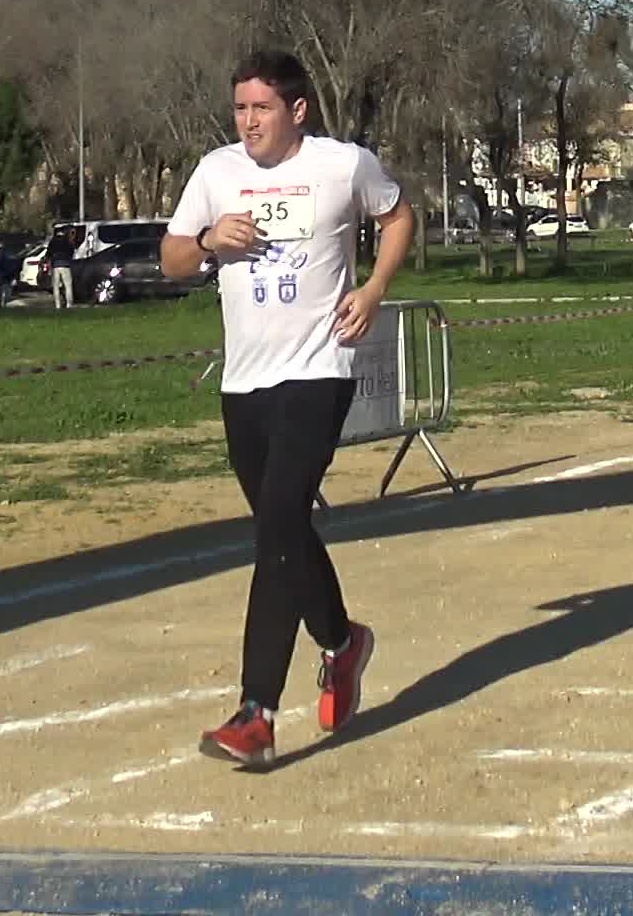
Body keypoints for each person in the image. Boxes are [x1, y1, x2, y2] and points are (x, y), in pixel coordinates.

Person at [163, 49, 416, 768]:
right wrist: (208, 241)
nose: (248, 122)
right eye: (240, 108)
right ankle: (342, 641)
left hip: (318, 370)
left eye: (262, 109)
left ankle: (257, 714)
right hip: (244, 382)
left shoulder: (343, 165)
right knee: (283, 529)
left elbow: (398, 217)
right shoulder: (216, 172)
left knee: (277, 523)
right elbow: (172, 258)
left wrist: (373, 290)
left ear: (296, 110)